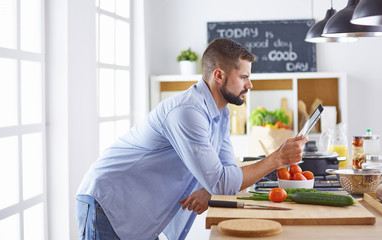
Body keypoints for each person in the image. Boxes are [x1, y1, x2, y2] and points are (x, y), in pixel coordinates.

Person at [76, 38, 308, 240]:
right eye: (244, 77)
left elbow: (225, 174)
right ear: (219, 75)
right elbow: (222, 182)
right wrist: (276, 158)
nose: (250, 84)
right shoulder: (188, 112)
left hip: (135, 212)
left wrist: (211, 190)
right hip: (107, 202)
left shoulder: (220, 113)